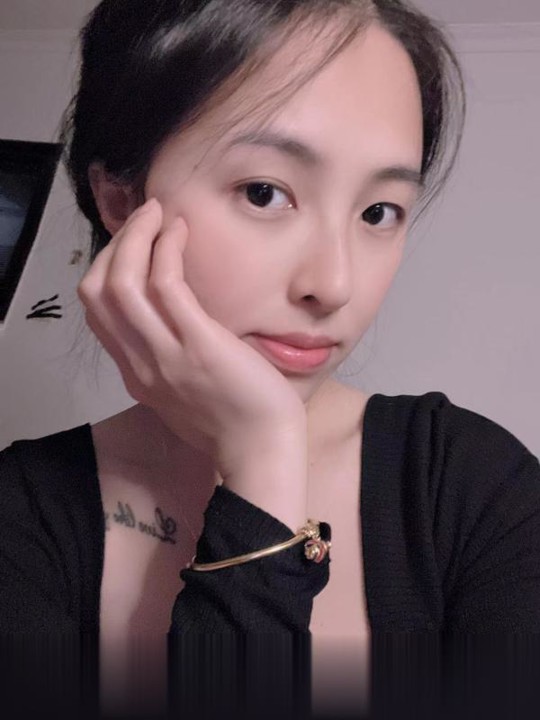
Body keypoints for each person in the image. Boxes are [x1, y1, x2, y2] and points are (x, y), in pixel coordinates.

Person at [1, 0, 540, 719]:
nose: (334, 284)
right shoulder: (21, 520)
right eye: (265, 193)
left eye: (378, 212)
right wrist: (263, 466)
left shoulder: (473, 488)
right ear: (123, 201)